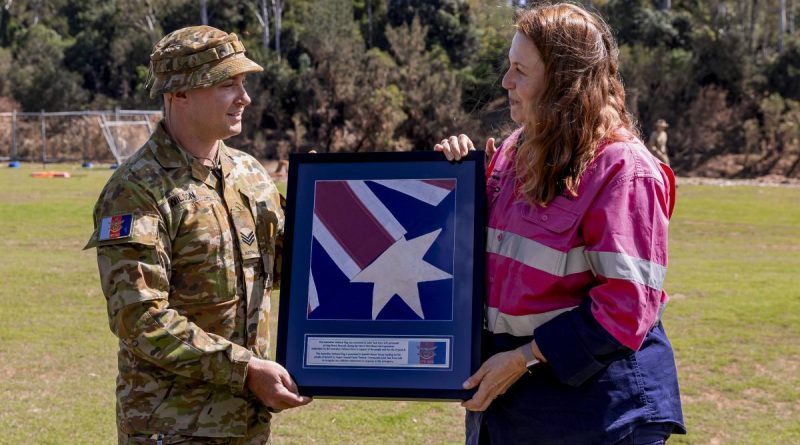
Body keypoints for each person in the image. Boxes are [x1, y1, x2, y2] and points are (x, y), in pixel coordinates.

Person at [435, 4, 685, 444]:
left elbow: (626, 307)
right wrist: (455, 180)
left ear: (565, 85)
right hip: (514, 407)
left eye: (520, 71)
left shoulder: (624, 169)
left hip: (598, 415)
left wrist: (525, 357)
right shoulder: (513, 153)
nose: (505, 82)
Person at [84, 26, 311, 444]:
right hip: (173, 426)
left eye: (243, 83)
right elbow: (140, 318)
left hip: (246, 423)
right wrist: (245, 370)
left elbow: (286, 274)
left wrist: (324, 206)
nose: (244, 97)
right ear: (179, 94)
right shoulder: (136, 190)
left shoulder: (250, 174)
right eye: (228, 85)